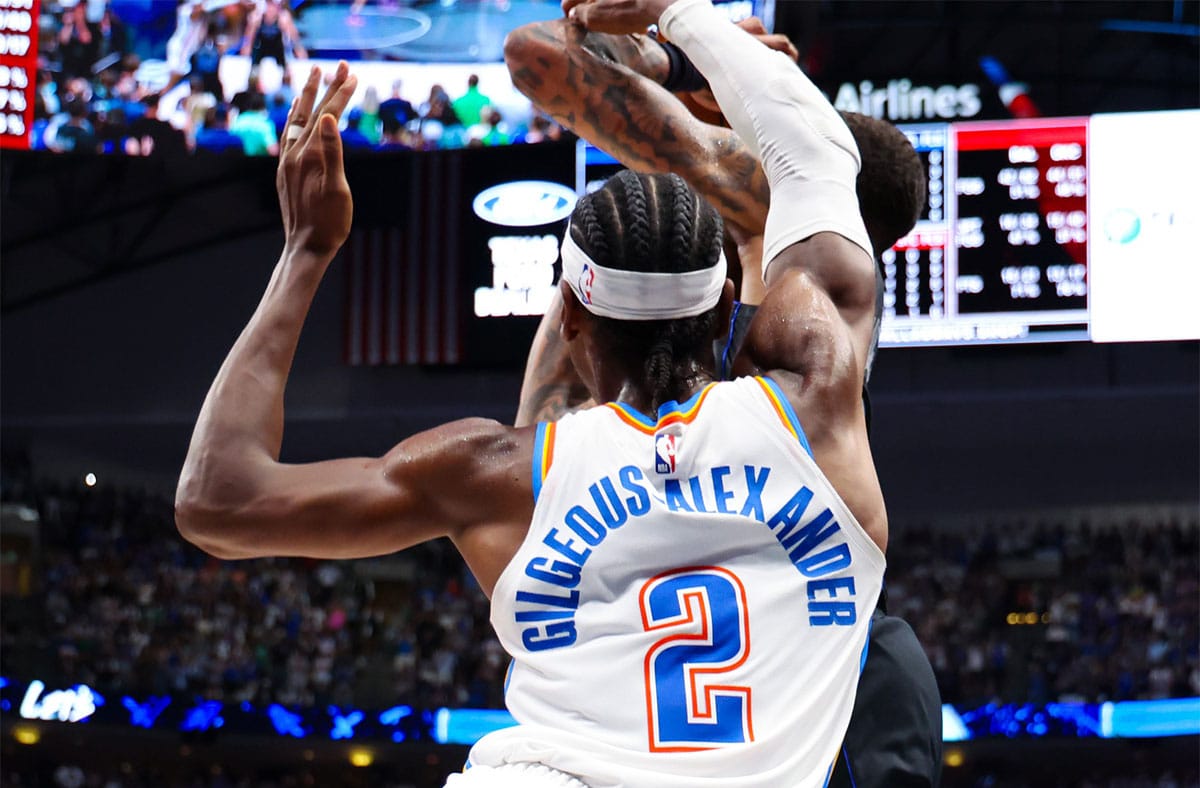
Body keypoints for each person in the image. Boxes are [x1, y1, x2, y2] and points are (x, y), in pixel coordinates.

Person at [176, 48, 885, 788]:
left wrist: (305, 250)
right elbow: (812, 159)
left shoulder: (499, 470)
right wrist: (686, 45)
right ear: (724, 306)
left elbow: (218, 502)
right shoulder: (816, 403)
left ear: (572, 315)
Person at [506, 3, 941, 786]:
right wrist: (678, 65)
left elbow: (538, 57)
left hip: (806, 668)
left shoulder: (767, 240)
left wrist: (674, 57)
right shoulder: (783, 289)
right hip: (780, 653)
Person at [241, 0, 307, 67]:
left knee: (286, 66)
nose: (270, 9)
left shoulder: (284, 19)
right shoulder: (256, 18)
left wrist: (304, 63)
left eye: (273, 6)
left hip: (278, 52)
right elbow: (248, 42)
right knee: (254, 68)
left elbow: (296, 43)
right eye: (268, 5)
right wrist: (244, 62)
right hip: (261, 50)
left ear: (278, 7)